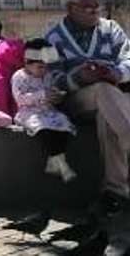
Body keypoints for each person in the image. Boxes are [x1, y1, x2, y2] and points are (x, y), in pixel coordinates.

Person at [44, 0, 130, 214]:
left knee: (108, 109)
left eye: (97, 7)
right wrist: (79, 77)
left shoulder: (111, 29)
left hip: (115, 96)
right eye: (87, 7)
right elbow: (50, 80)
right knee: (102, 91)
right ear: (70, 8)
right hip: (77, 101)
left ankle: (114, 194)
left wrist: (115, 73)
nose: (94, 12)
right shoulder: (53, 38)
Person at [11, 39, 77, 182]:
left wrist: (57, 97)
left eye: (46, 67)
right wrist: (41, 94)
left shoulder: (47, 76)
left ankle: (54, 161)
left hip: (49, 111)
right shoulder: (19, 77)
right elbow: (20, 98)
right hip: (28, 113)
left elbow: (52, 92)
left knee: (64, 125)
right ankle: (61, 163)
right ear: (27, 63)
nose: (44, 70)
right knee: (44, 129)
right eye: (40, 67)